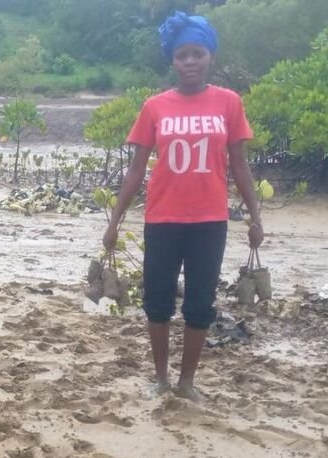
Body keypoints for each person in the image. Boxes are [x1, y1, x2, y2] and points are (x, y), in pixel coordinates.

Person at [102, 11, 264, 403]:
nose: (190, 62)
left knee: (199, 303)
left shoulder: (229, 103)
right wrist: (114, 221)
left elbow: (240, 166)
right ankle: (160, 378)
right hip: (162, 219)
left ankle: (187, 382)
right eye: (182, 55)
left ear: (209, 56)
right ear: (172, 60)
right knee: (156, 301)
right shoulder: (155, 107)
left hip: (209, 221)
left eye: (197, 54)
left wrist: (256, 217)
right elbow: (135, 171)